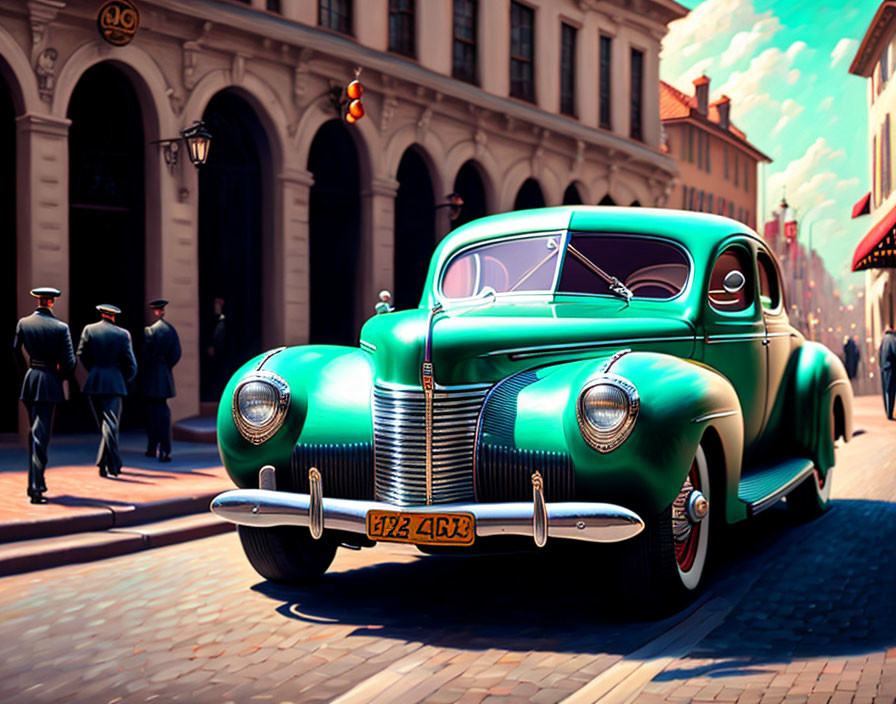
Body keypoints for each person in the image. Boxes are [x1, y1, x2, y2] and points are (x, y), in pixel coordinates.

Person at [12, 287, 76, 503]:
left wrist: (25, 372)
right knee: (41, 436)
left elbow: (15, 350)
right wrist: (62, 377)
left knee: (34, 434)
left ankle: (35, 482)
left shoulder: (24, 323)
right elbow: (69, 362)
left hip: (31, 381)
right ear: (51, 302)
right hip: (49, 381)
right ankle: (36, 486)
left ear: (39, 300)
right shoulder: (60, 327)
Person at [77, 304, 138, 477]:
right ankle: (114, 465)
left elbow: (81, 354)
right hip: (114, 382)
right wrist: (123, 378)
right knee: (111, 425)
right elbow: (131, 365)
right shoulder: (122, 334)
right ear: (113, 316)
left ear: (101, 314)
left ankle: (104, 465)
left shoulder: (89, 329)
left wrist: (94, 370)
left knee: (105, 426)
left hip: (95, 381)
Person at [142, 298, 181, 462]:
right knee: (163, 412)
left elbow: (145, 356)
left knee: (152, 413)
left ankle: (152, 447)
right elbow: (176, 353)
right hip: (164, 373)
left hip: (153, 374)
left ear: (155, 311)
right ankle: (165, 449)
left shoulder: (150, 331)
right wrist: (167, 366)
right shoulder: (171, 330)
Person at [879, 323, 896, 420]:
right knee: (891, 391)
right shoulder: (892, 339)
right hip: (891, 369)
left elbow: (880, 354)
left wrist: (881, 366)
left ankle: (887, 411)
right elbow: (894, 352)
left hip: (884, 369)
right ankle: (890, 413)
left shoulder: (883, 339)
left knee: (885, 390)